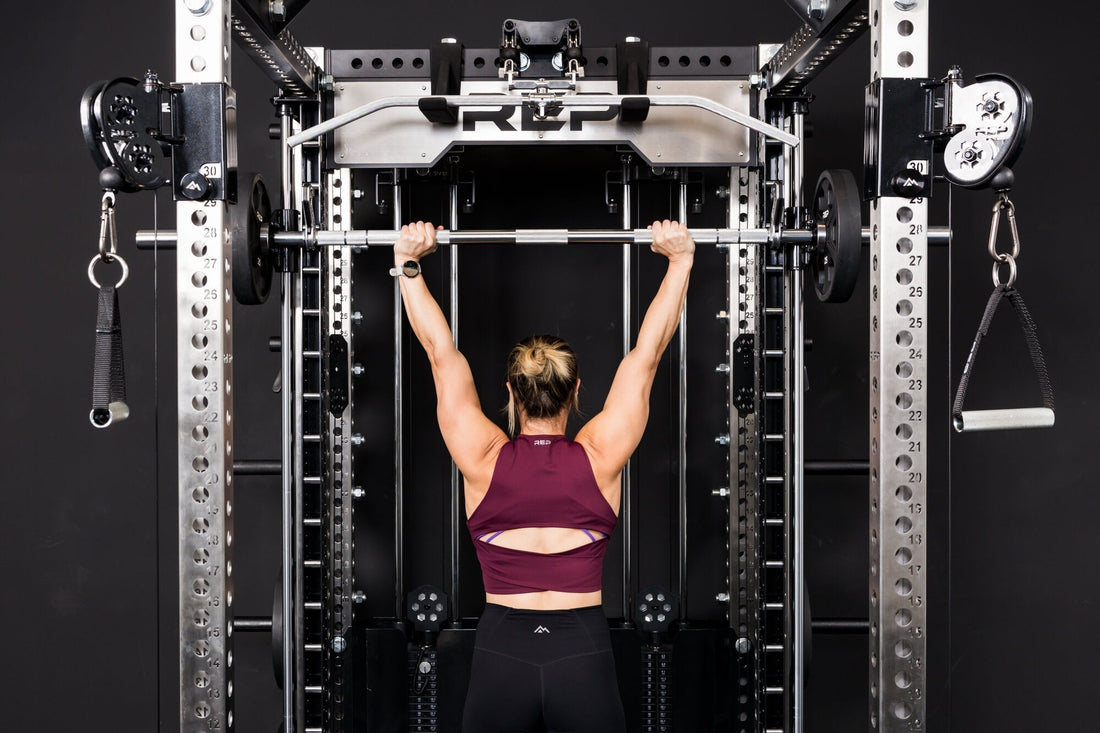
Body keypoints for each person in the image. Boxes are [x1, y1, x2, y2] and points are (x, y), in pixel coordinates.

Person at [392, 220, 695, 733]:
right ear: (576, 391)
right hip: (583, 650)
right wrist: (680, 260)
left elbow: (440, 355)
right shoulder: (599, 456)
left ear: (511, 391)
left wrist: (409, 263)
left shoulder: (483, 457)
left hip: (501, 651)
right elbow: (647, 357)